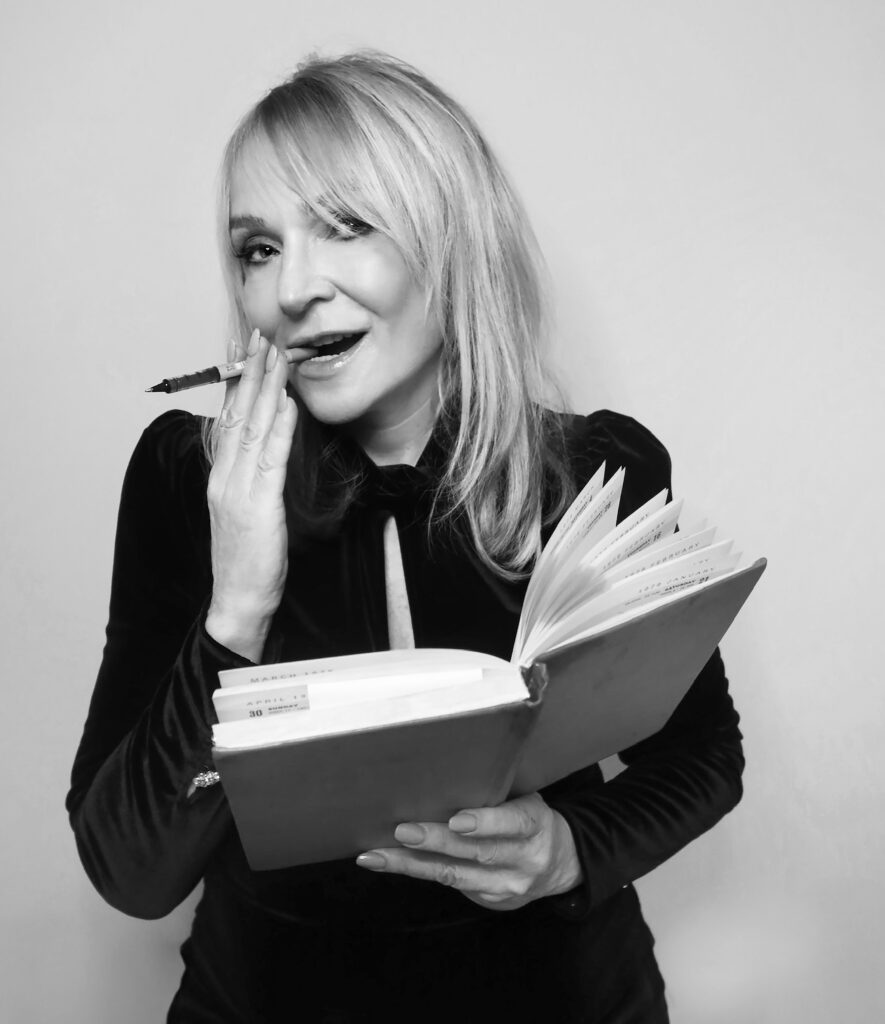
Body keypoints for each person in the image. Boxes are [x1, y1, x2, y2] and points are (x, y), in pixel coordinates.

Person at [66, 51, 744, 1023]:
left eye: (345, 226)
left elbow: (703, 756)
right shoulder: (187, 480)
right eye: (258, 248)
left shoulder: (596, 468)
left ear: (451, 242)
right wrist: (236, 609)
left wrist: (570, 849)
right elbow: (130, 870)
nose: (291, 288)